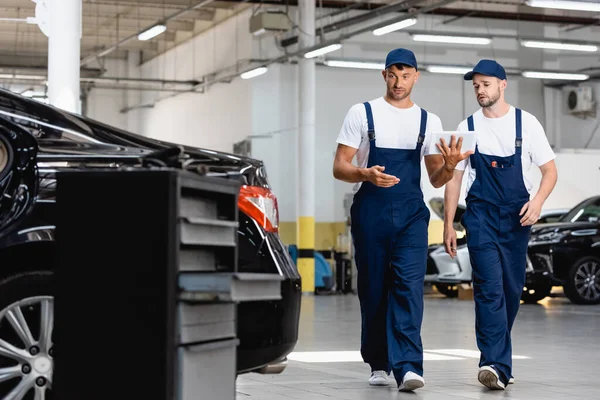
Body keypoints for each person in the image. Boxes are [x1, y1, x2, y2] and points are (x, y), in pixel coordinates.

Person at [332, 48, 472, 392]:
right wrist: (364, 173)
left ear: (416, 77)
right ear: (384, 75)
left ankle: (409, 366)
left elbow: (436, 179)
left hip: (411, 214)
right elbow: (339, 167)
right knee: (374, 289)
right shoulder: (362, 113)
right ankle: (379, 361)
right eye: (393, 75)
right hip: (370, 213)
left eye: (406, 76)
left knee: (410, 289)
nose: (399, 82)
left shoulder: (429, 121)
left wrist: (451, 165)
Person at [443, 59, 558, 390]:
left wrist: (537, 203)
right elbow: (454, 179)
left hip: (516, 218)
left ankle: (499, 359)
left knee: (510, 290)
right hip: (480, 216)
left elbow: (550, 171)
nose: (480, 90)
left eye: (486, 84)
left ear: (502, 85)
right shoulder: (467, 126)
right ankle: (492, 362)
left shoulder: (527, 124)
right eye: (475, 85)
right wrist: (449, 223)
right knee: (489, 289)